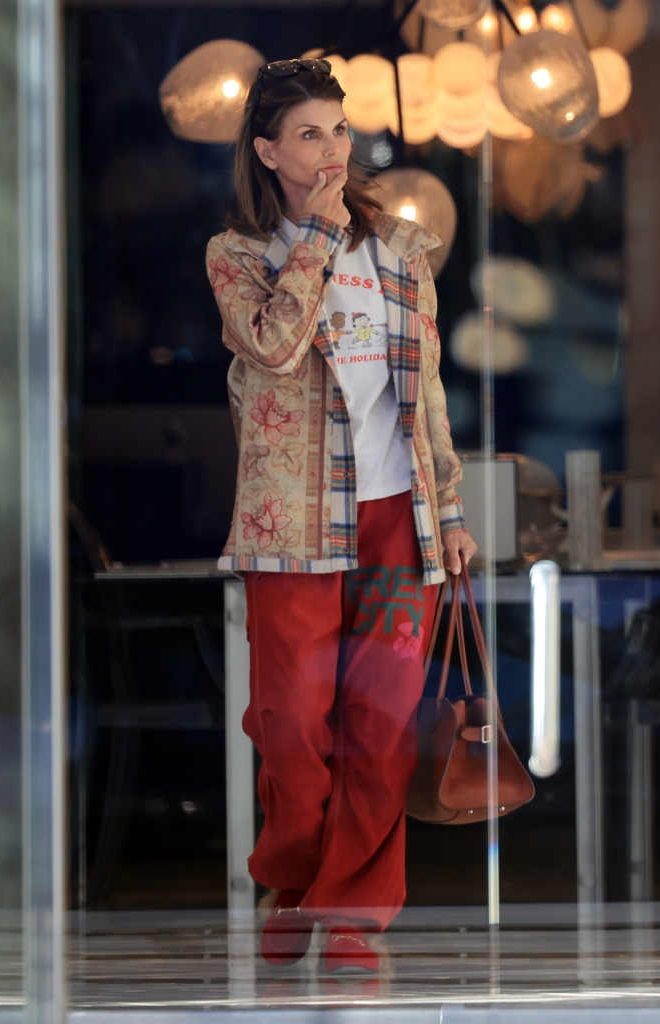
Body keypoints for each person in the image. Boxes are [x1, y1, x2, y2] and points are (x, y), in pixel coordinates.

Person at [206, 56, 477, 977]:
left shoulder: (398, 250)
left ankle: (353, 913)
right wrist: (317, 236)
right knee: (288, 723)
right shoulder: (237, 255)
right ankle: (293, 883)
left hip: (397, 518)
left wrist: (449, 508)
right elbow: (274, 347)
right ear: (267, 151)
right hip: (288, 526)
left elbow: (426, 392)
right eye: (308, 133)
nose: (330, 148)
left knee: (381, 723)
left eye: (338, 128)